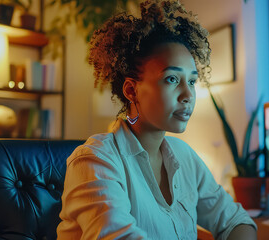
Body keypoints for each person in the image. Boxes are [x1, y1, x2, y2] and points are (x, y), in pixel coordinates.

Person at [56, 0, 257, 239]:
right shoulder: (95, 161)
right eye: (172, 79)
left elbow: (236, 221)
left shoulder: (185, 156)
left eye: (192, 81)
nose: (188, 95)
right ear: (131, 91)